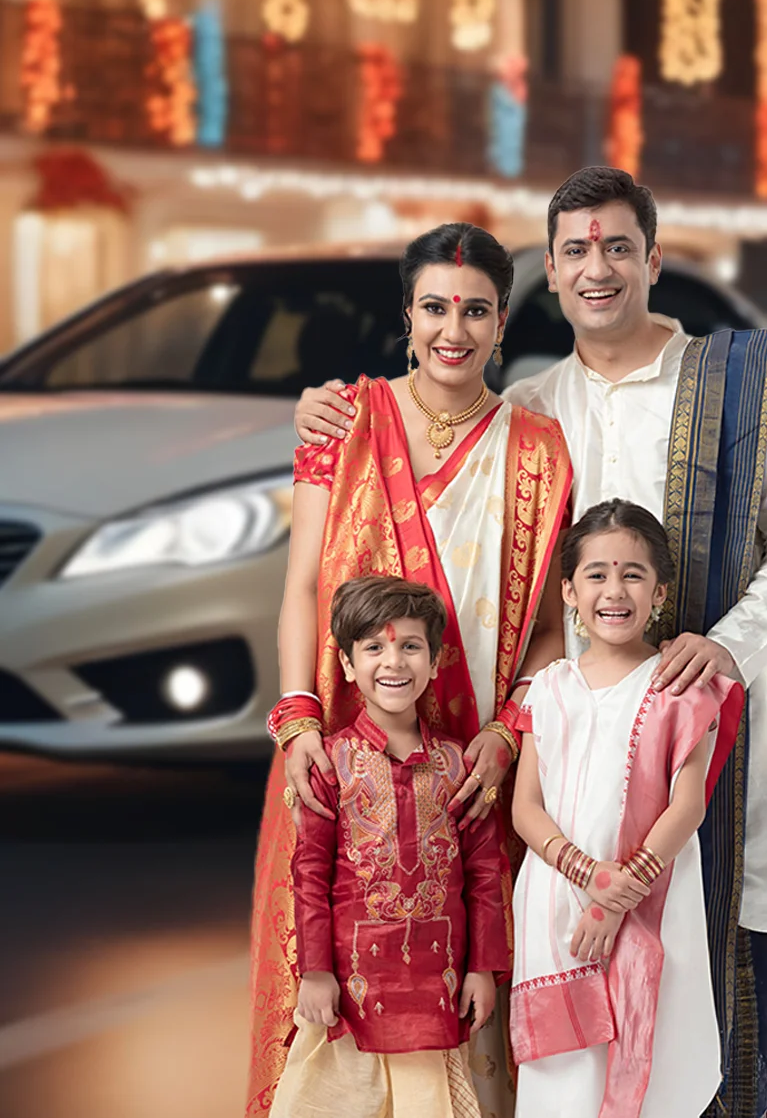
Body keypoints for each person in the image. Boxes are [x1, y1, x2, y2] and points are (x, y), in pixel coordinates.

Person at [295, 166, 767, 1118]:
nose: (598, 268)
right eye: (575, 251)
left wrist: (728, 647)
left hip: (716, 722)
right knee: (566, 998)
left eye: (618, 246)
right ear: (548, 272)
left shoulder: (740, 385)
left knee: (710, 958)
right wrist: (319, 414)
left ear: (654, 260)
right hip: (567, 745)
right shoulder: (529, 412)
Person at [248, 221, 572, 1115]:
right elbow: (302, 588)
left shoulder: (536, 448)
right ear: (406, 315)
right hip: (339, 744)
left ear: (501, 322)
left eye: (475, 311)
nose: (452, 330)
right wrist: (298, 720)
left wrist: (505, 734)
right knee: (330, 994)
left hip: (468, 768)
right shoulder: (343, 422)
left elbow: (550, 627)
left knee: (462, 996)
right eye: (434, 307)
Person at [511, 499, 741, 1118]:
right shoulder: (548, 688)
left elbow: (686, 807)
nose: (614, 591)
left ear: (659, 593)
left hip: (650, 903)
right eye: (596, 575)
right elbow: (526, 809)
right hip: (556, 906)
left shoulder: (680, 687)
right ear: (569, 591)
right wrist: (589, 877)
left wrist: (616, 898)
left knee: (649, 1059)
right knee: (564, 1081)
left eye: (633, 575)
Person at [270, 575, 509, 1118]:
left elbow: (483, 876)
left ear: (435, 661)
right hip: (347, 986)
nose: (394, 662)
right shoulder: (329, 763)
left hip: (437, 984)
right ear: (348, 664)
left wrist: (482, 968)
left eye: (410, 647)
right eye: (374, 647)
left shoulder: (460, 766)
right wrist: (315, 972)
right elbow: (308, 874)